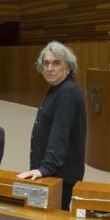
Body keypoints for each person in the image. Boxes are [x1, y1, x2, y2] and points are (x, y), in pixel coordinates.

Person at [17, 41, 87, 210]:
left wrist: (44, 169)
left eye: (56, 63)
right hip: (52, 171)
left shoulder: (67, 93)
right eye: (46, 63)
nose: (49, 68)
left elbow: (59, 134)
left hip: (60, 175)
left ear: (68, 67)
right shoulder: (58, 88)